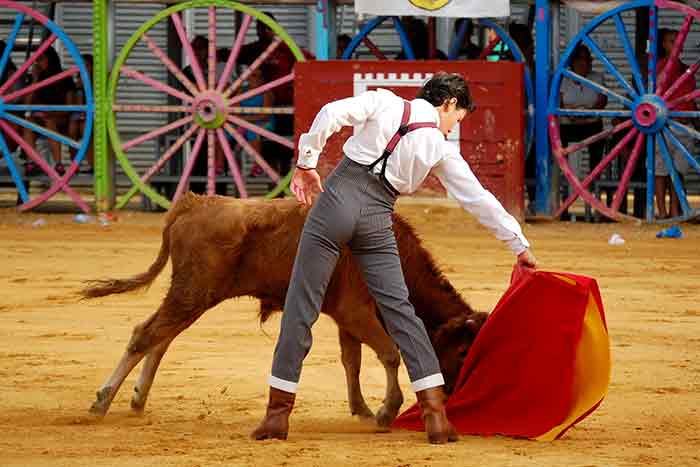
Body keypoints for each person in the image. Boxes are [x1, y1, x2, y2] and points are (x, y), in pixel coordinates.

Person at [252, 72, 537, 444]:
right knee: (401, 312)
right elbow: (477, 198)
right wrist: (519, 244)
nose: (453, 126)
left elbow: (329, 113)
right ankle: (436, 416)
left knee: (301, 306)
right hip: (377, 218)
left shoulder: (384, 102)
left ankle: (277, 417)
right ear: (449, 102)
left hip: (336, 202)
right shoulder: (440, 147)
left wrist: (307, 163)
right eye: (458, 118)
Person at [559, 44, 608, 217]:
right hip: (568, 125)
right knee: (558, 151)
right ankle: (561, 197)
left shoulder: (597, 78)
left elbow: (602, 101)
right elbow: (561, 102)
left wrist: (583, 113)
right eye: (580, 59)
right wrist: (577, 114)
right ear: (572, 62)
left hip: (591, 125)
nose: (584, 63)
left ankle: (596, 197)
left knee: (598, 153)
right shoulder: (564, 78)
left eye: (587, 60)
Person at [654, 28, 697, 219]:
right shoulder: (659, 68)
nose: (676, 45)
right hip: (666, 125)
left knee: (678, 171)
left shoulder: (687, 70)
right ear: (664, 45)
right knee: (661, 170)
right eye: (672, 41)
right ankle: (662, 211)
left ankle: (673, 210)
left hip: (685, 125)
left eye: (678, 41)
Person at [22, 46, 76, 176]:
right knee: (28, 122)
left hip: (60, 117)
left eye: (40, 59)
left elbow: (70, 106)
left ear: (50, 59)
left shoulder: (65, 78)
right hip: (42, 118)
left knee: (49, 121)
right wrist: (35, 79)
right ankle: (32, 162)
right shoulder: (37, 78)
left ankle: (58, 164)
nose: (37, 63)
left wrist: (51, 114)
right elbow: (27, 103)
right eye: (36, 60)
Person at [182, 35, 226, 195]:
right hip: (197, 122)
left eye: (202, 49)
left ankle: (221, 195)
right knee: (199, 159)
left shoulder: (216, 70)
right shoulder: (187, 72)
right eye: (196, 49)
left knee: (222, 158)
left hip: (220, 121)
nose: (199, 53)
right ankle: (197, 195)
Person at [68, 54, 93, 173]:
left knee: (85, 130)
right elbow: (73, 100)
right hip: (79, 112)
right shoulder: (77, 81)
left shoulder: (97, 82)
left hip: (92, 113)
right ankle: (75, 165)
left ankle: (92, 164)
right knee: (72, 130)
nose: (84, 68)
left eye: (87, 65)